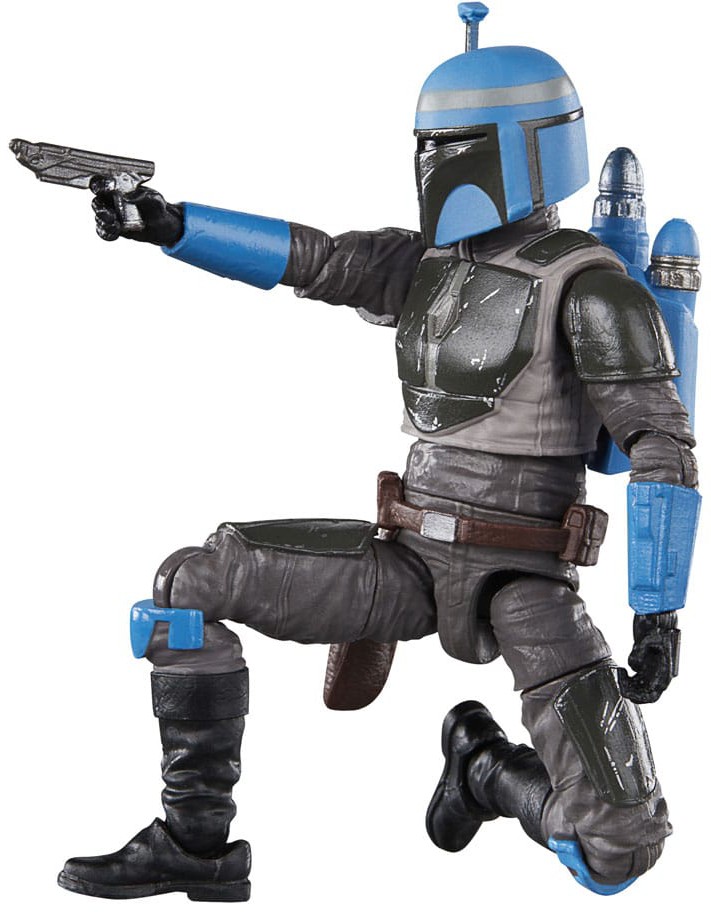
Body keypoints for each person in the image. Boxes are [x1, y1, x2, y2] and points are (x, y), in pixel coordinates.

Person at [57, 3, 700, 902]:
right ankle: (196, 847)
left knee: (617, 848)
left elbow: (661, 445)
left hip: (524, 577)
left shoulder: (591, 289)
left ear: (528, 146)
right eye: (431, 143)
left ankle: (483, 771)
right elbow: (312, 259)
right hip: (403, 558)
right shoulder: (426, 264)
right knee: (186, 588)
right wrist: (170, 225)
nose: (440, 163)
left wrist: (656, 615)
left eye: (457, 143)